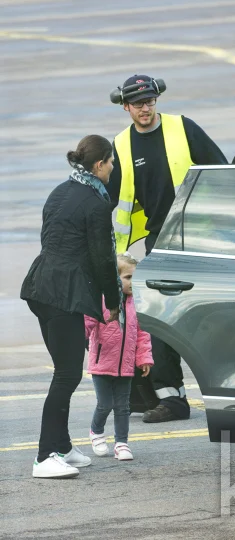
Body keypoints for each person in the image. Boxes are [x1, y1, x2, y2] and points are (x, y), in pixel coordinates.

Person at [106, 74, 228, 423]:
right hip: (159, 240)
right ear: (126, 107)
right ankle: (171, 398)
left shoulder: (182, 128)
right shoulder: (122, 144)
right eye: (138, 104)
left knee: (212, 317)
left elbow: (220, 171)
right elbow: (111, 199)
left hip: (200, 239)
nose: (145, 109)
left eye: (150, 101)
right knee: (159, 319)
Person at [21, 135, 121, 479]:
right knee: (67, 374)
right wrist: (114, 299)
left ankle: (62, 446)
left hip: (40, 285)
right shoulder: (96, 203)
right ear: (99, 164)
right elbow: (103, 258)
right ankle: (44, 456)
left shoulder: (60, 191)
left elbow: (51, 237)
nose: (112, 168)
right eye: (110, 162)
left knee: (64, 370)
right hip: (62, 294)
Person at [85, 252, 154, 460]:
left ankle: (121, 443)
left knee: (123, 406)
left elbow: (142, 333)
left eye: (136, 277)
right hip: (102, 363)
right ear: (115, 278)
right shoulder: (101, 301)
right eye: (128, 277)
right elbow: (87, 323)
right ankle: (96, 432)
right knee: (105, 404)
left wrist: (143, 358)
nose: (133, 282)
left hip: (125, 365)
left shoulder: (137, 303)